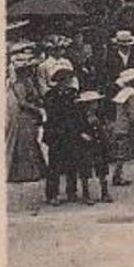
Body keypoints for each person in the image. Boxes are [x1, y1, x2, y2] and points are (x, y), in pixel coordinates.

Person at [39, 67, 82, 206]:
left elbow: (77, 113)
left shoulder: (73, 93)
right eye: (67, 80)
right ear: (60, 82)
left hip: (71, 133)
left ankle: (72, 192)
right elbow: (52, 116)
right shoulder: (50, 95)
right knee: (54, 166)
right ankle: (52, 194)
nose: (69, 83)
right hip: (56, 134)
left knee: (72, 164)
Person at [6, 45, 46, 184]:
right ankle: (23, 173)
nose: (31, 70)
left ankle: (34, 170)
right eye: (28, 68)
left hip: (27, 112)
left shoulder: (27, 81)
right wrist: (37, 109)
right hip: (21, 114)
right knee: (23, 140)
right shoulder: (18, 84)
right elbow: (22, 103)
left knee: (30, 139)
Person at [74, 89, 112, 204]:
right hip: (86, 146)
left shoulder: (99, 115)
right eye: (93, 102)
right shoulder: (80, 117)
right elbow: (77, 130)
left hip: (98, 144)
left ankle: (105, 192)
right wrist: (83, 136)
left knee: (102, 168)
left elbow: (103, 128)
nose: (95, 104)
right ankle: (86, 194)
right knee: (85, 169)